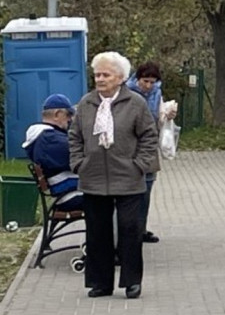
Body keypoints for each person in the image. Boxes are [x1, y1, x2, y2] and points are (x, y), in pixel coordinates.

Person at [69, 51, 159, 300]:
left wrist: (139, 164)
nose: (100, 79)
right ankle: (100, 283)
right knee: (97, 232)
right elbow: (75, 136)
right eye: (97, 74)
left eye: (105, 75)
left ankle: (131, 282)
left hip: (128, 178)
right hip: (94, 178)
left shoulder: (136, 103)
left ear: (120, 78)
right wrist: (79, 163)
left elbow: (149, 136)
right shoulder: (86, 103)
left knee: (130, 230)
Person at [126, 61, 171, 244]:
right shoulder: (127, 93)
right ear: (138, 79)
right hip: (131, 146)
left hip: (149, 144)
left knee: (147, 188)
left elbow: (158, 118)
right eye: (145, 81)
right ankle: (129, 229)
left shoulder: (156, 93)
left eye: (152, 82)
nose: (148, 86)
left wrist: (166, 115)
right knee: (131, 191)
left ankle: (141, 228)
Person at [22, 94, 83, 212]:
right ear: (57, 114)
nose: (70, 119)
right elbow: (83, 157)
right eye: (68, 115)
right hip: (70, 196)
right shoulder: (51, 140)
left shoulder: (46, 137)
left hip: (67, 192)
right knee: (119, 197)